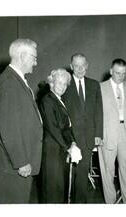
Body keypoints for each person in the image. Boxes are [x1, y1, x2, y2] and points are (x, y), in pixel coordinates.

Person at [0, 38, 43, 203]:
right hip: (14, 165)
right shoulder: (9, 83)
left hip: (16, 163)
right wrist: (21, 161)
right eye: (33, 57)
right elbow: (9, 127)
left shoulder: (15, 80)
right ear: (22, 56)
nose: (36, 62)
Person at [98, 58, 126, 204]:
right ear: (111, 71)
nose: (121, 77)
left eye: (123, 74)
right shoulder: (100, 87)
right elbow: (96, 114)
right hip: (107, 134)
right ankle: (110, 204)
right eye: (117, 73)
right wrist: (97, 135)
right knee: (107, 172)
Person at [62, 53, 103, 203]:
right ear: (71, 67)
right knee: (65, 176)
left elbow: (99, 111)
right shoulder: (64, 84)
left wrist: (98, 134)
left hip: (87, 138)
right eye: (76, 66)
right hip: (69, 138)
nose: (80, 69)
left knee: (82, 175)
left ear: (87, 66)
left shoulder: (94, 84)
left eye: (82, 65)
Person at [39, 69, 82, 203]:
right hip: (53, 150)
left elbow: (67, 126)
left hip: (60, 150)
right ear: (51, 83)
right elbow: (53, 128)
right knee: (53, 190)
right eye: (59, 83)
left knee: (60, 188)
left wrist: (73, 142)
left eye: (65, 84)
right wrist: (67, 147)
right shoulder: (47, 100)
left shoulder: (59, 100)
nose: (62, 86)